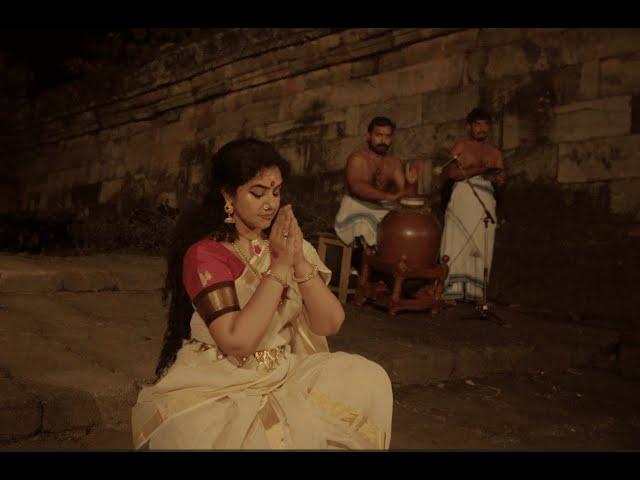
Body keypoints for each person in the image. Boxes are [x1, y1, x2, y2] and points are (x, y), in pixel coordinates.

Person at [131, 139, 393, 450]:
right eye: (257, 193)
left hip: (283, 369)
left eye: (276, 192)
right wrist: (280, 266)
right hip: (222, 378)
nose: (270, 203)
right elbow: (236, 342)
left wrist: (296, 260)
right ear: (228, 195)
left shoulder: (283, 248)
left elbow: (331, 322)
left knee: (368, 379)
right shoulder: (206, 255)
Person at [440, 108, 508, 303]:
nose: (482, 128)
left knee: (482, 240)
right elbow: (451, 173)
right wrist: (479, 168)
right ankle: (449, 290)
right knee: (458, 239)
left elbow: (502, 177)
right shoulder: (461, 146)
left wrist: (498, 178)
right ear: (469, 126)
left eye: (486, 124)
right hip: (463, 195)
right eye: (478, 124)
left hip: (485, 197)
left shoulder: (494, 152)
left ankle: (476, 292)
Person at [334, 116, 407, 247]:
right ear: (368, 136)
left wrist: (412, 182)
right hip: (354, 210)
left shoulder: (395, 164)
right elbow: (357, 187)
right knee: (364, 224)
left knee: (403, 226)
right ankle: (361, 265)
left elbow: (403, 193)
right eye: (378, 135)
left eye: (387, 136)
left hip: (381, 211)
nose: (383, 141)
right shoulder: (357, 158)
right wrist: (389, 196)